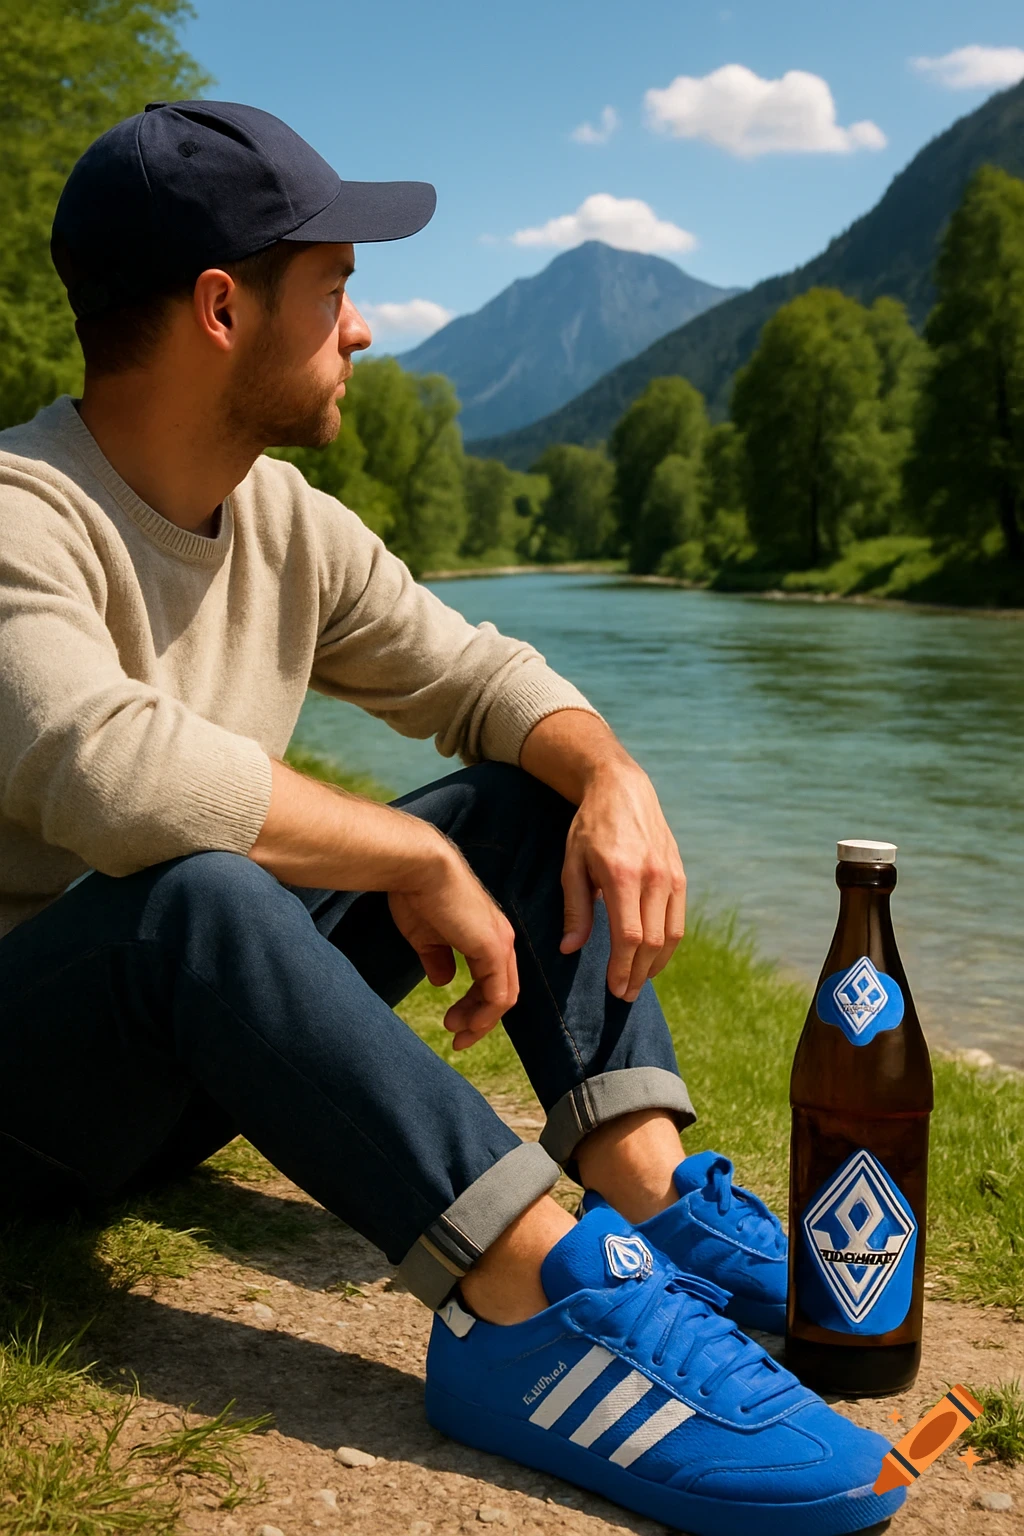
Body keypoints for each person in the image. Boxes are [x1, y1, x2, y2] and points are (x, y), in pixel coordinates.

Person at [0, 101, 903, 1536]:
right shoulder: (21, 514)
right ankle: (534, 1303)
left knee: (523, 793)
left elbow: (481, 676)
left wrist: (611, 777)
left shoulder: (286, 521)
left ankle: (648, 1195)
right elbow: (106, 768)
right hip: (30, 1091)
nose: (361, 330)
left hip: (188, 1062)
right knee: (202, 891)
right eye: (338, 290)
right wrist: (405, 853)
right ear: (225, 309)